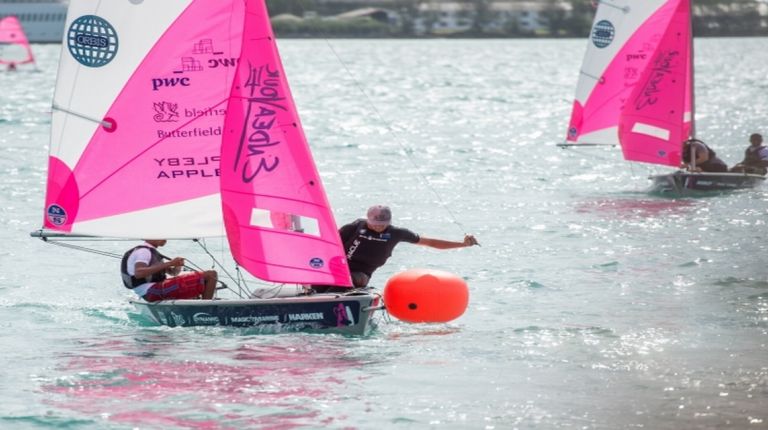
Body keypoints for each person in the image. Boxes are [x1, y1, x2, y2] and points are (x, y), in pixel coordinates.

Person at [313, 205, 479, 292]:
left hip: (360, 274)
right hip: (338, 269)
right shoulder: (356, 227)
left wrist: (462, 244)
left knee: (352, 279)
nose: (379, 227)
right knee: (319, 285)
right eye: (375, 224)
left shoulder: (397, 233)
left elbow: (430, 242)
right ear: (368, 219)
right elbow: (328, 244)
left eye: (383, 224)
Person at [120, 239, 217, 302]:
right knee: (211, 275)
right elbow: (139, 273)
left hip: (150, 291)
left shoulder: (151, 252)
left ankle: (200, 303)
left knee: (203, 281)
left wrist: (177, 266)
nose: (165, 238)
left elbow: (173, 273)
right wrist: (170, 263)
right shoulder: (144, 252)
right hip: (151, 291)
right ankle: (207, 309)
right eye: (162, 235)